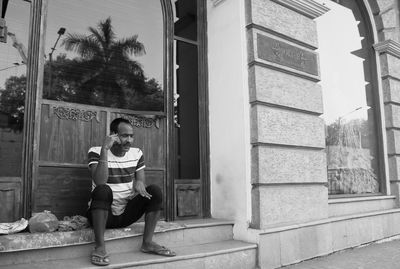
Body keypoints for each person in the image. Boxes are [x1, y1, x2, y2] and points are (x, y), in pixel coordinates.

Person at [87, 117, 176, 266]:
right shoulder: (96, 151)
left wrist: (139, 184)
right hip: (102, 215)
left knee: (155, 191)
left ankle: (147, 243)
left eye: (131, 136)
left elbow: (140, 180)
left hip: (125, 215)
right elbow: (100, 181)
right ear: (113, 136)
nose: (129, 140)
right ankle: (100, 247)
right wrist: (105, 149)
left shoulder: (137, 153)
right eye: (124, 136)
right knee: (103, 189)